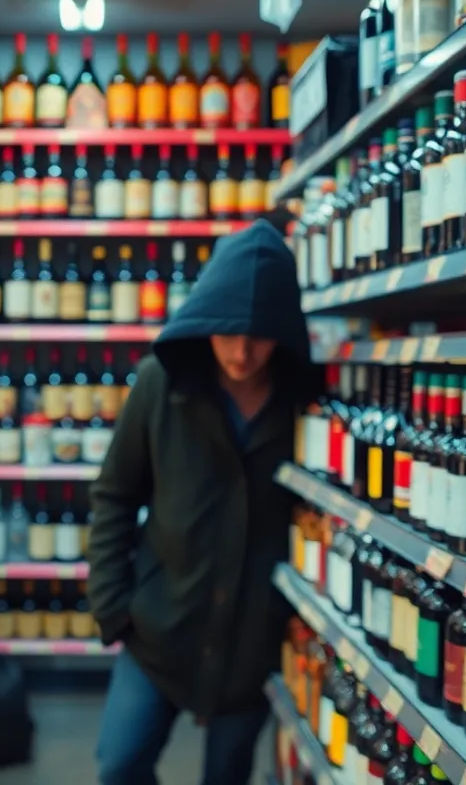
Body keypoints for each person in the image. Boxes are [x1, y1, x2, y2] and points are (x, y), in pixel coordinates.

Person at [87, 218, 321, 784]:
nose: (242, 351)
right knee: (118, 766)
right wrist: (112, 604)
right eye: (228, 331)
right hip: (159, 629)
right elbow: (115, 495)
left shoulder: (305, 405)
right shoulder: (159, 385)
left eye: (260, 334)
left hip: (252, 644)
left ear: (283, 331)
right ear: (206, 318)